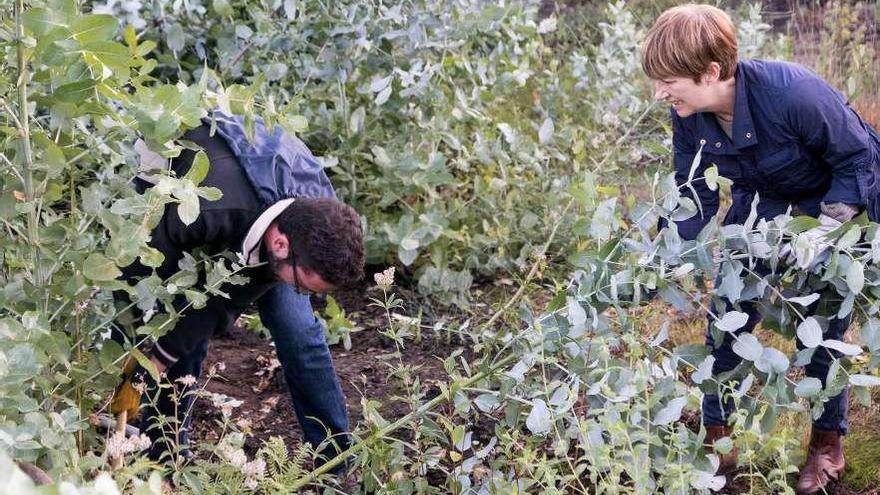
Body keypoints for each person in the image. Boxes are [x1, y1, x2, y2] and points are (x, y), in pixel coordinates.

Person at [641, 4, 880, 494]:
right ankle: (718, 444)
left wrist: (827, 230)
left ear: (710, 72)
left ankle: (826, 444)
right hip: (761, 207)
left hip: (834, 199)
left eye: (668, 81)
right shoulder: (688, 114)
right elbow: (693, 194)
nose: (660, 93)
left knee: (823, 327)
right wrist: (660, 256)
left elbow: (857, 157)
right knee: (726, 316)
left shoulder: (792, 93)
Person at [109, 111, 365, 471]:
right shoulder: (207, 210)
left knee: (300, 334)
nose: (303, 293)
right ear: (280, 244)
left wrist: (159, 358)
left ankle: (333, 463)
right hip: (198, 188)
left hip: (272, 209)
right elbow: (145, 278)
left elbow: (226, 301)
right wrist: (138, 355)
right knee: (184, 311)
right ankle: (166, 453)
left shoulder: (322, 217)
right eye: (303, 286)